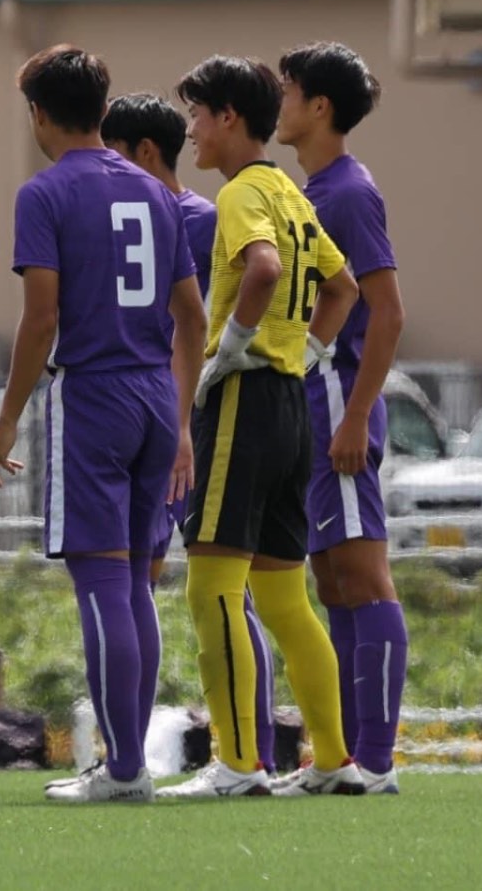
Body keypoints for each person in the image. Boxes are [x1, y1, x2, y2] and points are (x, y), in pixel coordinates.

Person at [0, 48, 204, 804]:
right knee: (137, 581)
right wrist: (179, 417)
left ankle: (125, 768)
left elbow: (41, 317)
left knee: (104, 581)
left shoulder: (43, 194)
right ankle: (127, 762)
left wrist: (7, 418)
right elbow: (192, 318)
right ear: (103, 107)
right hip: (151, 390)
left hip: (95, 394)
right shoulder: (157, 191)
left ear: (39, 113)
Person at [158, 56, 362, 800]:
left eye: (198, 116)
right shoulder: (289, 190)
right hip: (290, 406)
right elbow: (340, 286)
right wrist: (308, 350)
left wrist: (235, 343)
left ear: (229, 118)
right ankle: (334, 758)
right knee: (283, 597)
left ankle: (239, 763)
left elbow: (266, 269)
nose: (192, 131)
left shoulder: (246, 190)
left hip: (244, 398)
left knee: (211, 584)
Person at [103, 92, 278, 773]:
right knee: (145, 582)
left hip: (191, 421)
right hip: (161, 417)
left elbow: (200, 322)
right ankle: (146, 753)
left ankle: (244, 750)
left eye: (115, 155)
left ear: (146, 153)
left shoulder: (197, 220)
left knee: (219, 586)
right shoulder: (158, 217)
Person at [277, 42, 409, 796]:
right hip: (314, 406)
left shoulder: (348, 192)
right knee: (331, 580)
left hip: (337, 403)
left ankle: (378, 760)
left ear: (319, 105)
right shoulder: (315, 188)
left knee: (364, 574)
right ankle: (348, 758)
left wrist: (356, 414)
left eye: (289, 90)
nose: (281, 104)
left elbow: (386, 310)